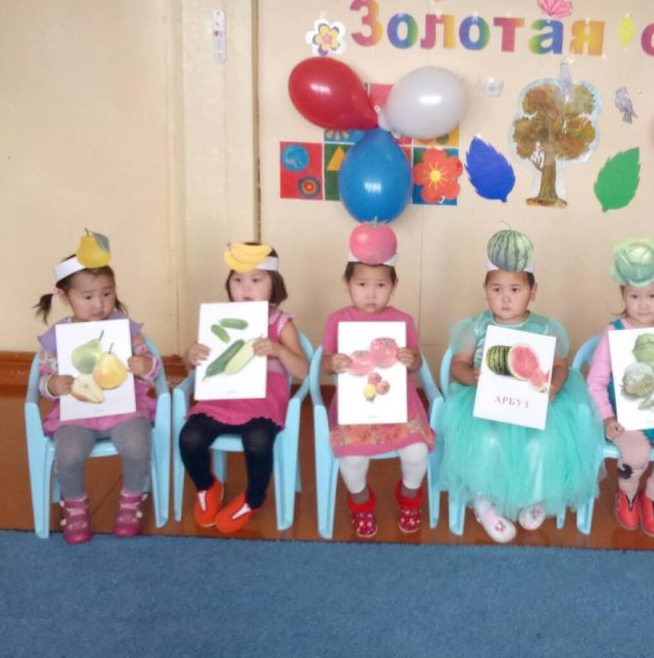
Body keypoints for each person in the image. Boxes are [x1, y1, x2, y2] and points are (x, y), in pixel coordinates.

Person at [437, 230, 603, 543]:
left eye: (515, 289)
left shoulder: (544, 327)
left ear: (532, 291)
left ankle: (535, 498)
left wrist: (554, 387)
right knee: (487, 441)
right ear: (485, 290)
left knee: (543, 443)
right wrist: (472, 376)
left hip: (535, 402)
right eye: (496, 289)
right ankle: (484, 501)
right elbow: (458, 365)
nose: (505, 298)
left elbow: (560, 367)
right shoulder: (477, 326)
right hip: (482, 402)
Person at [34, 231, 159, 544]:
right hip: (77, 412)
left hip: (125, 407)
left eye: (107, 294)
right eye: (87, 297)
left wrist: (145, 367)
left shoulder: (126, 330)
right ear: (65, 297)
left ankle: (132, 500)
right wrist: (53, 385)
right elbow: (43, 379)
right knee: (69, 453)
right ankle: (75, 506)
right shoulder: (58, 337)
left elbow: (151, 369)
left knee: (137, 445)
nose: (99, 304)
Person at [178, 242, 308, 534]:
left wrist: (279, 349)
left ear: (274, 285)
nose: (245, 288)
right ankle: (206, 486)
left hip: (263, 405)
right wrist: (191, 355)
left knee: (258, 440)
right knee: (190, 437)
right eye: (237, 280)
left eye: (256, 280)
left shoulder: (280, 322)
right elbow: (190, 362)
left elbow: (302, 370)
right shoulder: (221, 319)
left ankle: (254, 498)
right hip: (220, 401)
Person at [322, 225, 434, 538]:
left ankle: (409, 498)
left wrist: (411, 359)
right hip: (355, 410)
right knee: (352, 458)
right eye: (362, 284)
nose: (371, 294)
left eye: (381, 285)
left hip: (400, 408)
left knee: (417, 453)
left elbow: (416, 362)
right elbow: (326, 365)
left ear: (394, 285)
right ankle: (361, 504)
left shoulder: (403, 321)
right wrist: (334, 362)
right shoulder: (337, 321)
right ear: (346, 283)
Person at [584, 239, 654, 537]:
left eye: (652, 295)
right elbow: (595, 382)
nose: (643, 304)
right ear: (623, 294)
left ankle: (652, 496)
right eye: (634, 296)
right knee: (635, 454)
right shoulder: (613, 332)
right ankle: (628, 494)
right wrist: (607, 418)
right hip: (624, 416)